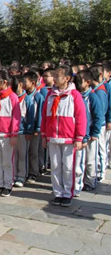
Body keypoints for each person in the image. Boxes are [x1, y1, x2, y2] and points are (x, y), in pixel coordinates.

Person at [41, 65, 86, 207]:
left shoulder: (74, 95)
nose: (54, 78)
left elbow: (81, 117)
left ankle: (68, 193)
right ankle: (58, 192)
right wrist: (44, 134)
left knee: (68, 167)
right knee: (55, 166)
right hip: (53, 137)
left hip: (68, 138)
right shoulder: (50, 95)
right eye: (53, 75)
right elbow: (45, 116)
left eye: (57, 76)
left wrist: (79, 137)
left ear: (67, 78)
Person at [74, 70, 103, 194]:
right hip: (81, 134)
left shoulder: (93, 96)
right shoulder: (76, 95)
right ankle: (78, 183)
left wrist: (95, 133)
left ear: (88, 82)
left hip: (91, 134)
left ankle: (90, 181)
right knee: (79, 160)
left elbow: (98, 116)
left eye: (80, 81)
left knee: (90, 160)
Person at [22, 71, 45, 184]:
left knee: (34, 151)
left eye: (25, 81)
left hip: (35, 129)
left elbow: (40, 114)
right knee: (25, 151)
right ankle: (25, 171)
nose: (23, 84)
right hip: (24, 129)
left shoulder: (39, 97)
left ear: (33, 82)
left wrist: (38, 128)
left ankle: (34, 172)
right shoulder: (23, 96)